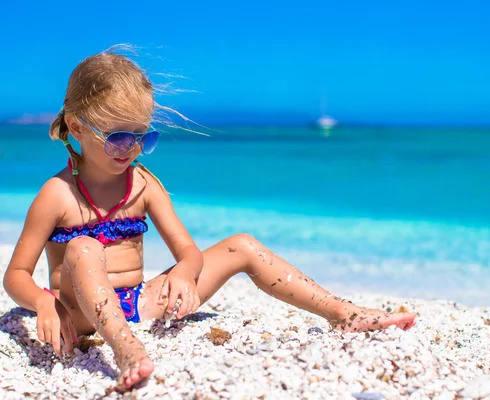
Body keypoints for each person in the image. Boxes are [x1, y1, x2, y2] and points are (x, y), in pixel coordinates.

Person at [2, 46, 417, 390]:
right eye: (118, 138)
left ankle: (343, 313)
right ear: (76, 126)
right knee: (83, 246)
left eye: (143, 137)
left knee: (242, 244)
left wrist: (184, 273)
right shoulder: (57, 194)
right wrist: (42, 302)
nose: (131, 149)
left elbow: (188, 250)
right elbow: (16, 274)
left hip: (139, 302)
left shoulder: (144, 184)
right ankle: (126, 349)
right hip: (77, 315)